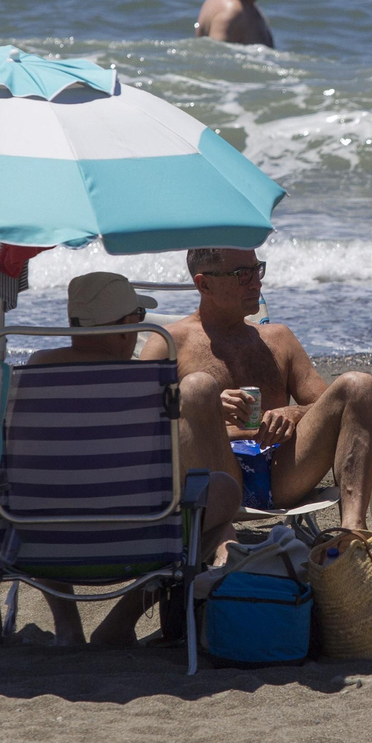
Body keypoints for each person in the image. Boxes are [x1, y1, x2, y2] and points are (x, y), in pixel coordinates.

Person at [23, 272, 239, 647]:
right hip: (139, 542)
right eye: (138, 317)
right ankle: (121, 620)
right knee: (223, 491)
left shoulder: (32, 374)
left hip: (45, 542)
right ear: (125, 329)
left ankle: (68, 626)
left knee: (37, 495)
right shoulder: (146, 384)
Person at [139, 247, 372, 553]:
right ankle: (221, 539)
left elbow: (325, 407)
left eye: (257, 269)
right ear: (204, 284)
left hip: (284, 471)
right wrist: (202, 407)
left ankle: (352, 533)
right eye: (243, 275)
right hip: (217, 473)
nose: (257, 283)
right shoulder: (169, 342)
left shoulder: (278, 338)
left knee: (359, 385)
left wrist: (294, 413)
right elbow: (138, 419)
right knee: (197, 388)